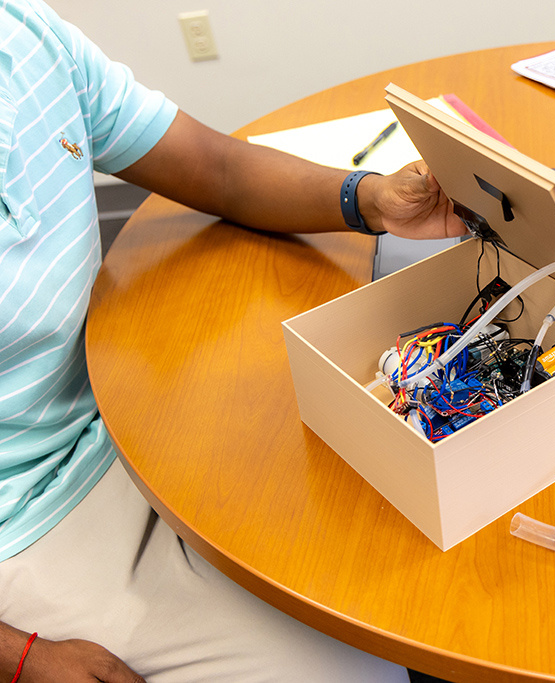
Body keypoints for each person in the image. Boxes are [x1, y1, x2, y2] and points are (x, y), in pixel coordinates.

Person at [0, 0, 466, 680]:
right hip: (27, 531)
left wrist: (368, 199)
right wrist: (20, 656)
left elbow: (215, 168)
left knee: (393, 561)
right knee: (360, 668)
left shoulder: (29, 38)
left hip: (125, 427)